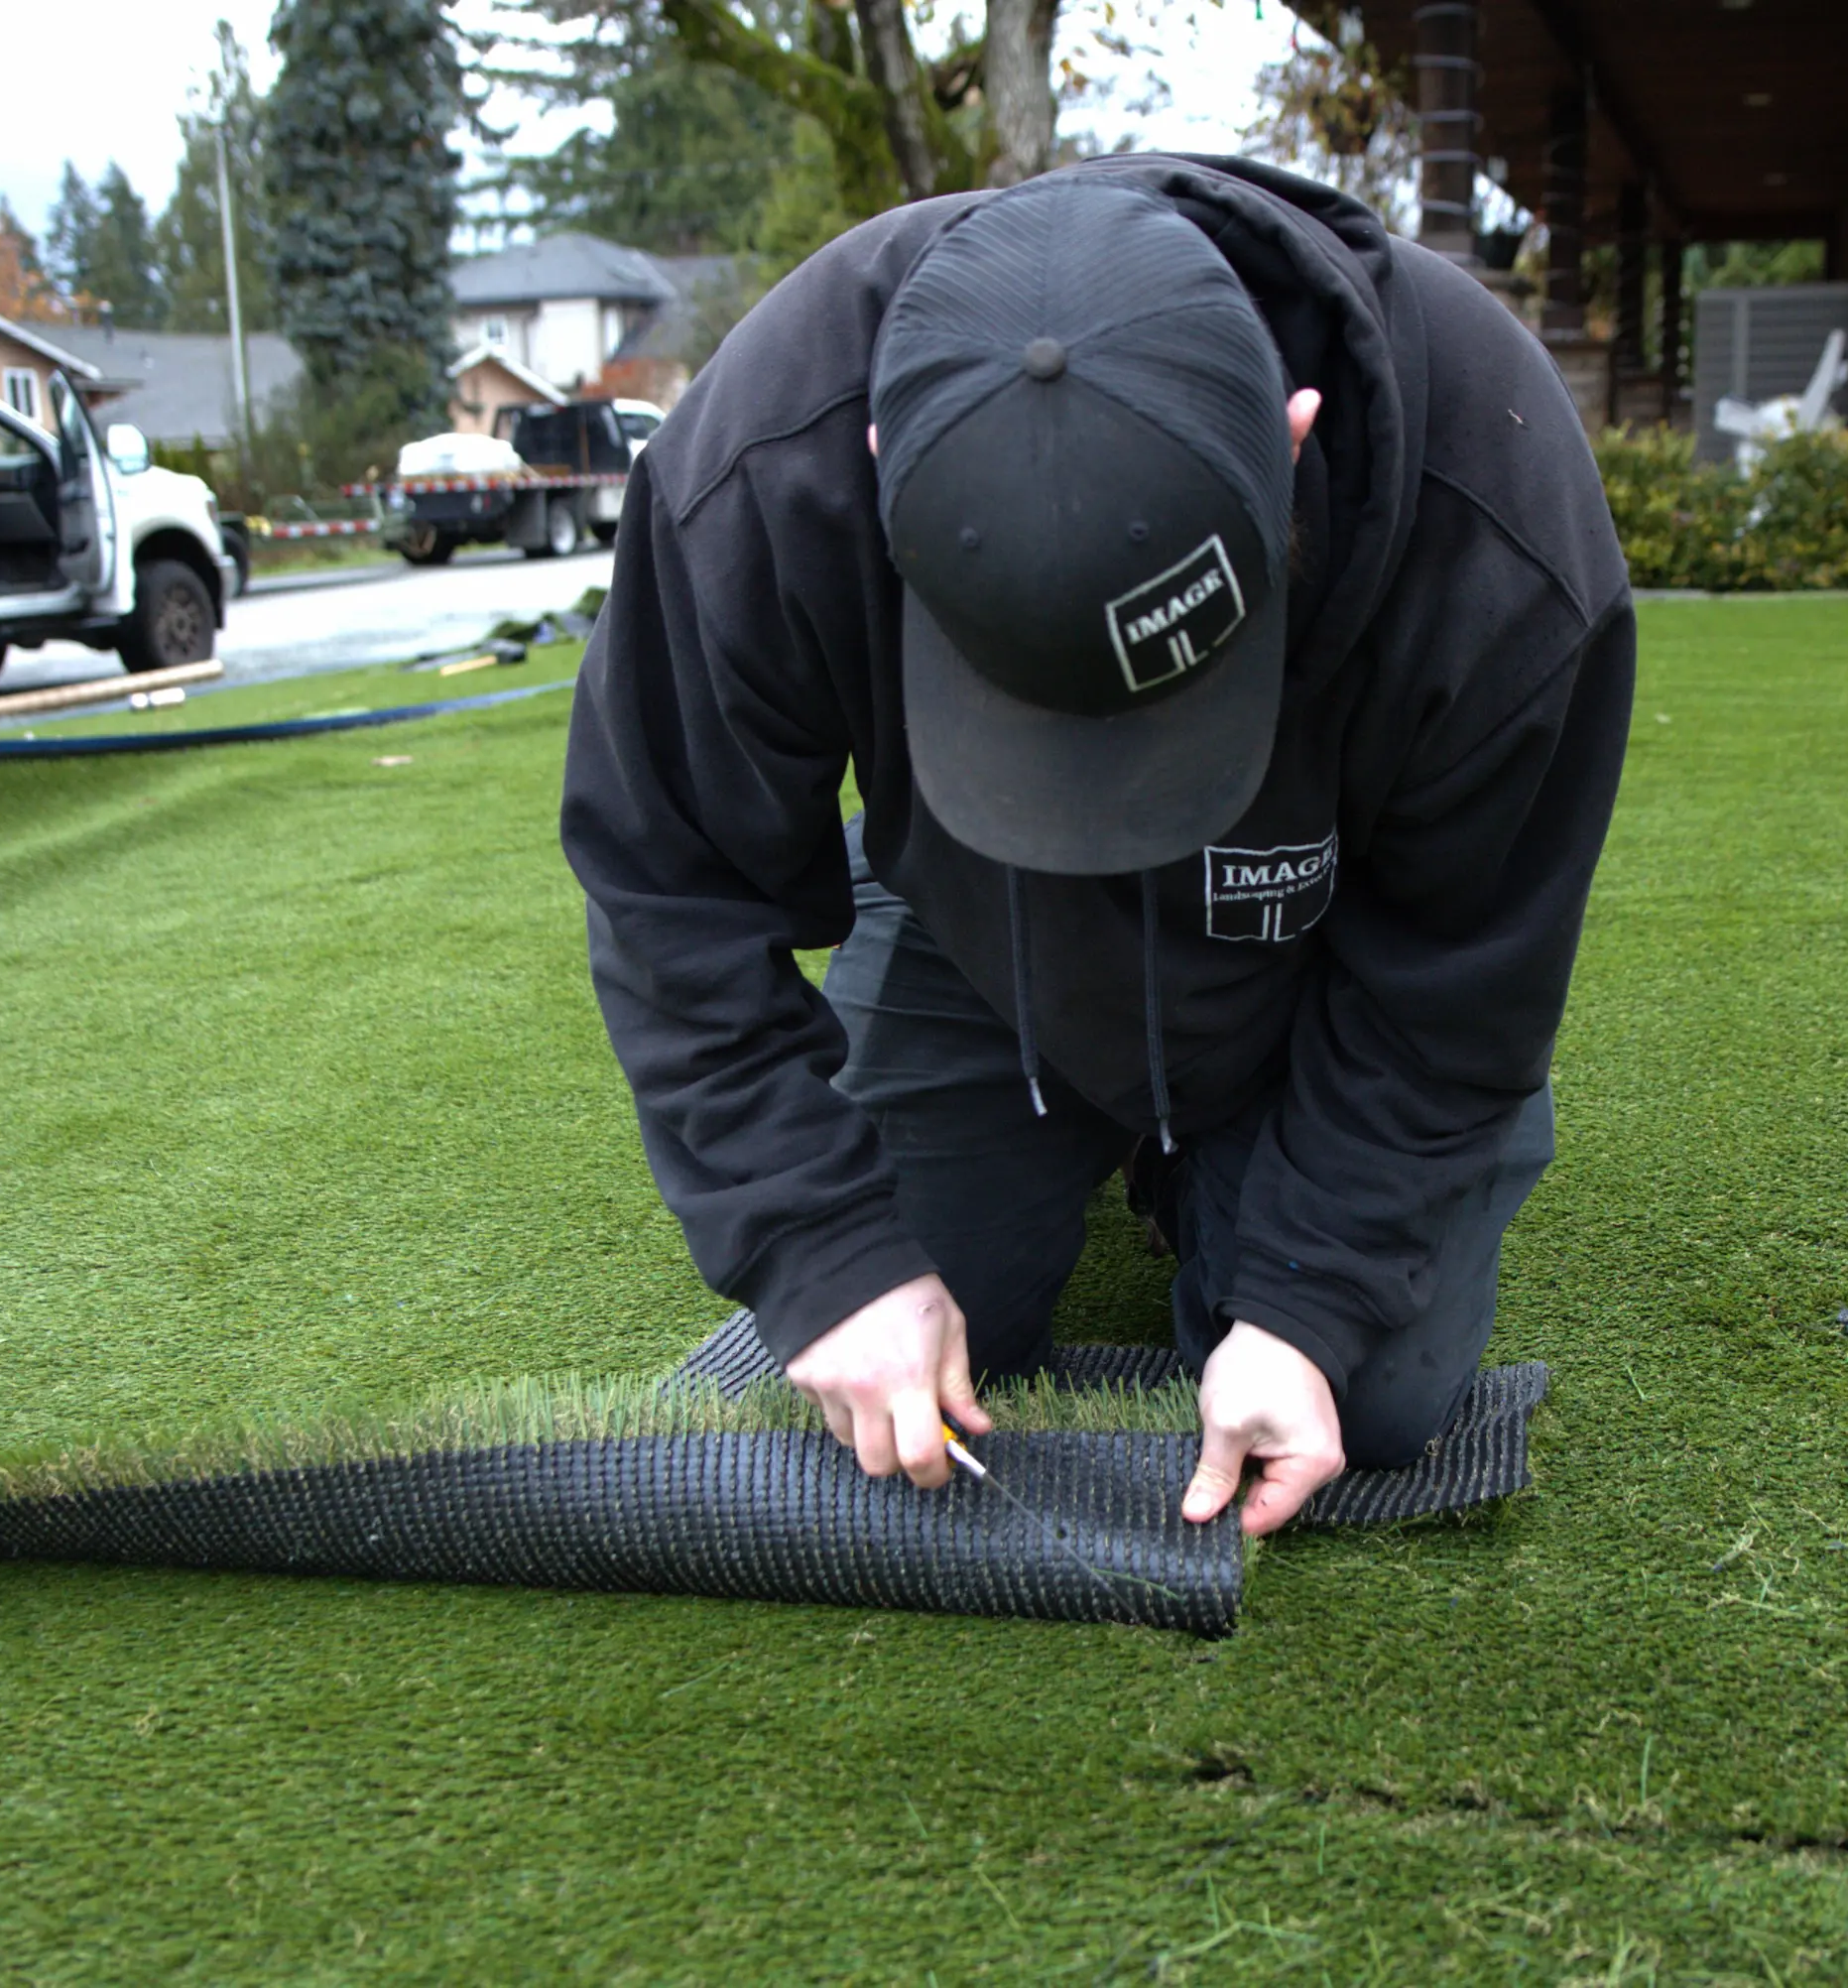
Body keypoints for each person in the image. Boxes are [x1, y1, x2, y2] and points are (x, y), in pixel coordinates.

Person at [561, 157, 1632, 1537]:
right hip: (972, 917)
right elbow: (669, 880)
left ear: (1294, 435)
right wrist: (823, 1251)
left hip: (1317, 945)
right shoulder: (766, 462)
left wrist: (1304, 1304)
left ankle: (1212, 1160)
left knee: (1366, 1409)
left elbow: (1460, 979)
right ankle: (1126, 1138)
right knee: (890, 1355)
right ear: (882, 468)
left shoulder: (1498, 525)